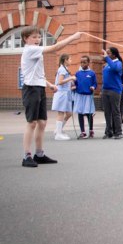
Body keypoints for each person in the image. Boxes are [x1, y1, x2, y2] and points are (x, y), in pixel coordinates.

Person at [20, 27, 81, 167]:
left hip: (39, 87)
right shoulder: (30, 50)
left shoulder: (36, 52)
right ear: (26, 39)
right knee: (32, 123)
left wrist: (49, 85)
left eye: (38, 37)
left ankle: (39, 154)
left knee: (42, 123)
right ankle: (26, 156)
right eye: (34, 37)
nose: (37, 40)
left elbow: (36, 73)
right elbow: (55, 47)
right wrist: (73, 37)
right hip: (30, 89)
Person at [51, 54, 76, 141]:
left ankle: (58, 130)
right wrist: (71, 78)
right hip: (62, 94)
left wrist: (71, 83)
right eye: (70, 59)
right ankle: (58, 133)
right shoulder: (62, 69)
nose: (71, 61)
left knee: (69, 113)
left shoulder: (65, 69)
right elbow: (60, 82)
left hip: (66, 93)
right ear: (65, 60)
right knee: (61, 113)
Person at [101, 47, 123, 139]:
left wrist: (107, 58)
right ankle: (108, 131)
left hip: (115, 90)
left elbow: (115, 69)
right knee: (107, 112)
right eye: (106, 53)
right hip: (105, 90)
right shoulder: (107, 65)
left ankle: (118, 132)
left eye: (109, 53)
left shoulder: (118, 63)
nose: (107, 55)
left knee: (115, 112)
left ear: (114, 55)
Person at [74, 55, 97, 138]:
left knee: (89, 113)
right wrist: (73, 86)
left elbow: (95, 83)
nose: (82, 64)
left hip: (88, 96)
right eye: (81, 62)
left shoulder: (92, 73)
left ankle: (91, 130)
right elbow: (75, 84)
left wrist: (93, 87)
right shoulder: (77, 73)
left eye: (84, 62)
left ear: (88, 63)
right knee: (80, 113)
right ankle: (82, 131)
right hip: (79, 95)